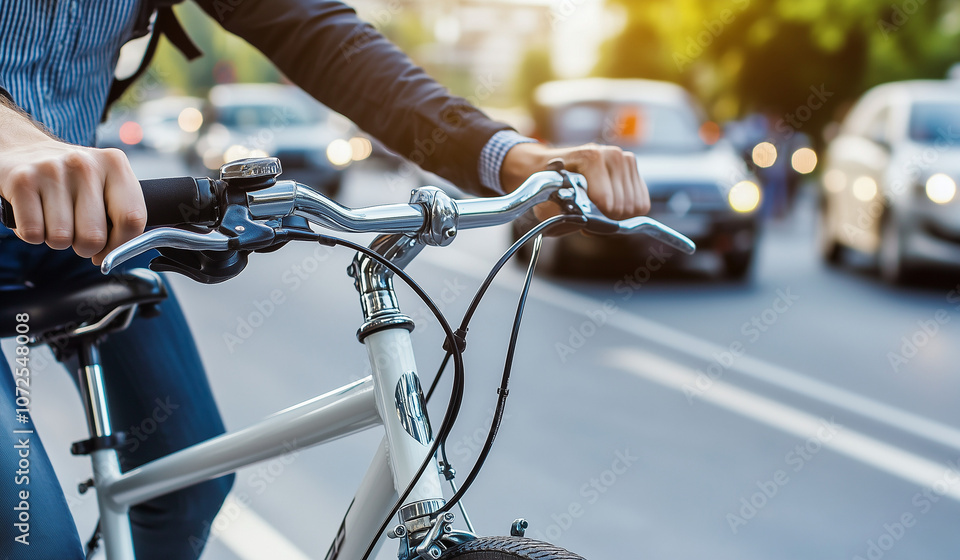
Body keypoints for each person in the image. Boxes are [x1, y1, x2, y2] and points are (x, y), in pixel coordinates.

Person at [0, 1, 650, 558]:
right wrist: (17, 143)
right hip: (49, 185)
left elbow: (320, 35)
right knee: (34, 539)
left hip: (83, 224)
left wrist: (511, 157)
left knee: (188, 488)